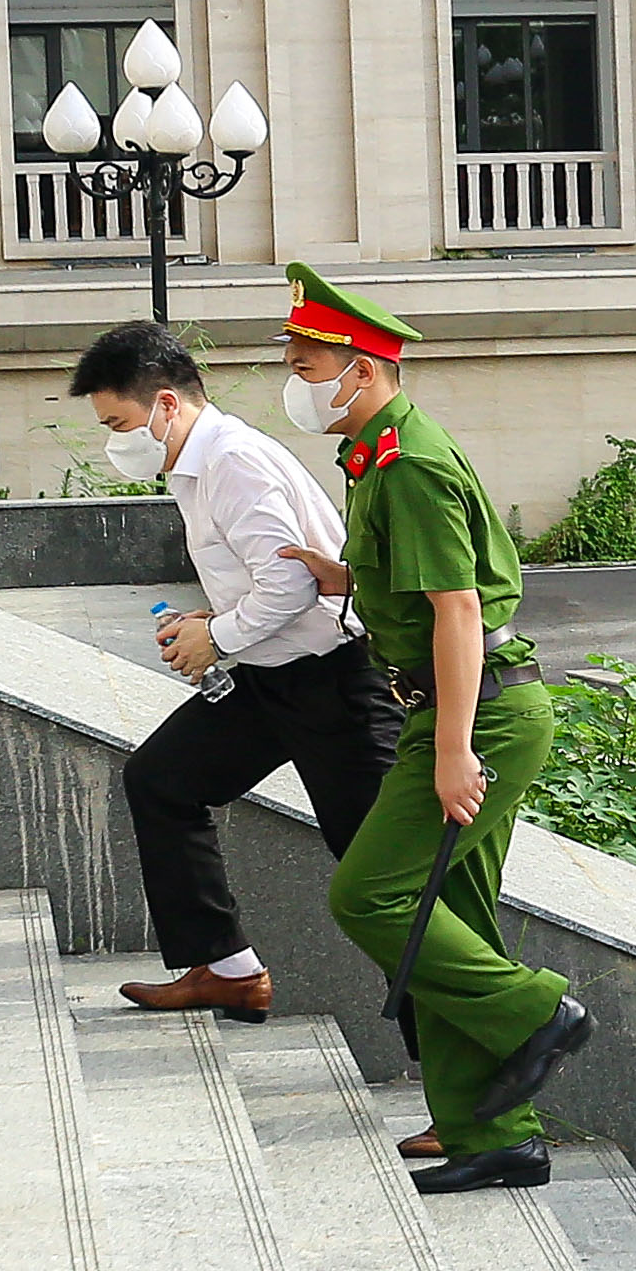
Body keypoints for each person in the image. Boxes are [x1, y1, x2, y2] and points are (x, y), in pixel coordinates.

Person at [276, 264, 590, 1195]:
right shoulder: (378, 453)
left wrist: (453, 750)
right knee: (446, 916)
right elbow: (422, 592)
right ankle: (495, 1134)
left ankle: (537, 1015)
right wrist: (347, 581)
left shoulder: (405, 465)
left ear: (362, 369)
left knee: (367, 896)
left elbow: (457, 611)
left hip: (476, 713)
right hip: (474, 703)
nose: (293, 380)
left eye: (306, 362)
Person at [72, 321, 401, 1025]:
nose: (115, 441)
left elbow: (291, 586)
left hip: (333, 682)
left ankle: (458, 1068)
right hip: (267, 678)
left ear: (166, 405)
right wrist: (209, 619)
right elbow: (260, 577)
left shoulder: (232, 463)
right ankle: (225, 967)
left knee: (381, 877)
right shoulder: (197, 464)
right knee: (161, 780)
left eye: (119, 422)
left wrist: (214, 637)